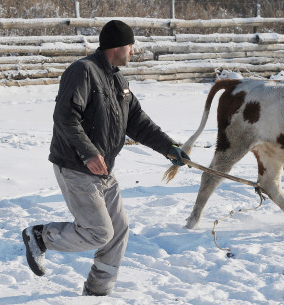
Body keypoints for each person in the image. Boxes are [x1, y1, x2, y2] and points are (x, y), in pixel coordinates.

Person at [21, 20, 190, 296]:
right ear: (118, 46)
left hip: (103, 170)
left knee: (119, 230)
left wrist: (169, 147)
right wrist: (88, 153)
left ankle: (98, 291)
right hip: (76, 166)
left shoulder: (118, 79)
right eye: (131, 46)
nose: (133, 52)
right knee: (99, 232)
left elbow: (138, 123)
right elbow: (65, 117)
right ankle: (40, 237)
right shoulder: (83, 71)